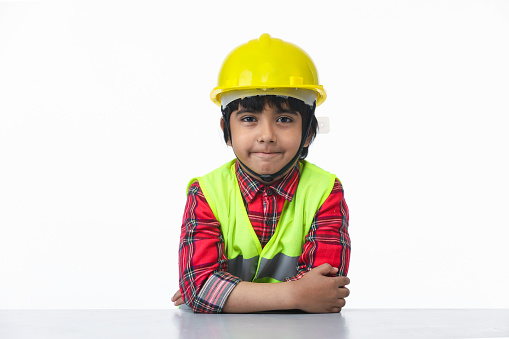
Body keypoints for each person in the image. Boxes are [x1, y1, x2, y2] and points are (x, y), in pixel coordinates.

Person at [171, 34, 351, 313]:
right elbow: (199, 289)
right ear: (226, 131)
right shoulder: (207, 192)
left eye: (284, 119)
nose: (266, 135)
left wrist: (222, 294)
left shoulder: (325, 191)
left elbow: (324, 291)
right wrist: (296, 293)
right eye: (249, 119)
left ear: (309, 132)